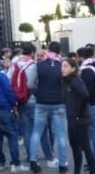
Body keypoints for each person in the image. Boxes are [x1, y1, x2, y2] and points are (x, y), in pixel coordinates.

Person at [14, 43, 53, 174]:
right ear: (32, 53)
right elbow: (35, 83)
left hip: (21, 101)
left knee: (27, 131)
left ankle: (32, 158)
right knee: (41, 130)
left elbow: (9, 80)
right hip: (34, 100)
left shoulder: (15, 63)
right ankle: (49, 157)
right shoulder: (33, 65)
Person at [29, 42, 68, 173]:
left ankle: (33, 161)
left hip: (41, 102)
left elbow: (30, 84)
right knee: (61, 134)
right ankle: (62, 164)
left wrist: (38, 93)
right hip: (58, 102)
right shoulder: (62, 65)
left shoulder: (38, 65)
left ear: (47, 50)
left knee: (36, 132)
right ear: (59, 51)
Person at [0, 56, 28, 173]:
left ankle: (0, 162)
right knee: (12, 136)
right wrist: (14, 105)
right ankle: (15, 163)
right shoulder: (0, 76)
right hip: (4, 108)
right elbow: (8, 92)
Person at [61, 59, 95, 174]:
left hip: (80, 119)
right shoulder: (67, 81)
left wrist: (79, 113)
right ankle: (76, 171)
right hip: (71, 119)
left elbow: (85, 95)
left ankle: (93, 170)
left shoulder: (75, 80)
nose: (63, 69)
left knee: (85, 147)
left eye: (66, 66)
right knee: (75, 147)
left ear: (73, 68)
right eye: (62, 66)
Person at [77, 47, 95, 173]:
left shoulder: (87, 70)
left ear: (81, 56)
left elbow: (85, 91)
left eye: (78, 56)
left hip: (92, 104)